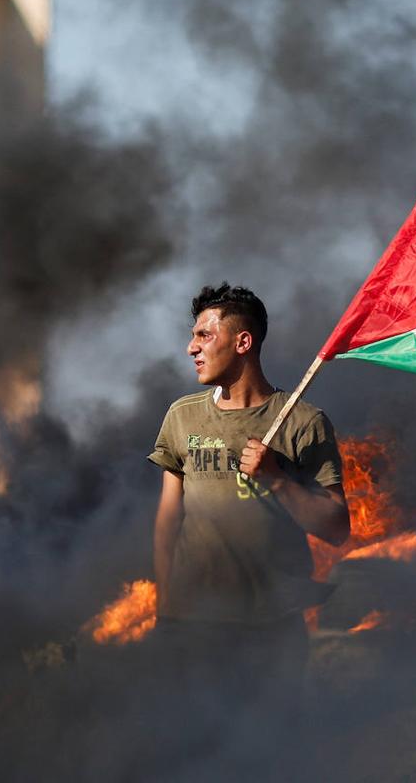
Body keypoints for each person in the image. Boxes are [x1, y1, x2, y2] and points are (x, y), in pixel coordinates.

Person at [144, 283, 349, 772]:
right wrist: (165, 606)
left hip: (271, 631)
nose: (191, 347)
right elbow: (168, 518)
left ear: (242, 342)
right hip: (194, 628)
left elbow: (337, 527)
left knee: (267, 761)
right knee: (190, 759)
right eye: (192, 336)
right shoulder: (182, 417)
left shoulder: (302, 422)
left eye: (203, 334)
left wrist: (277, 479)